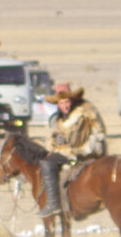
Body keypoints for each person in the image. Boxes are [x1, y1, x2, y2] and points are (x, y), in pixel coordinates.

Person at [37, 83, 107, 216]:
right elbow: (59, 135)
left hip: (84, 149)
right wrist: (55, 144)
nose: (65, 105)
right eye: (61, 103)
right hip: (71, 149)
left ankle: (53, 204)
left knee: (46, 163)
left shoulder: (85, 111)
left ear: (72, 100)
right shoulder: (60, 116)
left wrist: (73, 149)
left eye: (67, 102)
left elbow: (97, 134)